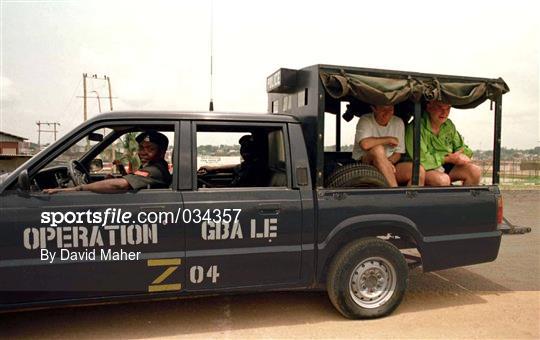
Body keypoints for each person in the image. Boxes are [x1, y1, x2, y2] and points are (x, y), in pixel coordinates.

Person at [44, 130, 172, 194]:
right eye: (141, 148)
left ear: (161, 152)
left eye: (150, 149)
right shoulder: (150, 165)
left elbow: (120, 185)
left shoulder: (155, 170)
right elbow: (132, 178)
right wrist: (114, 177)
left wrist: (79, 188)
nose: (144, 152)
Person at [404, 100, 481, 186]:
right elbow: (422, 160)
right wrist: (446, 159)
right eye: (440, 107)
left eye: (448, 108)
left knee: (475, 171)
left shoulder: (449, 125)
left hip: (447, 166)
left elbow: (462, 147)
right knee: (443, 180)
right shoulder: (416, 127)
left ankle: (465, 199)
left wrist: (461, 155)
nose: (444, 112)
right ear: (429, 107)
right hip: (424, 169)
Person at [352, 104, 412, 187]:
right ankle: (395, 193)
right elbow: (365, 144)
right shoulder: (365, 120)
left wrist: (388, 163)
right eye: (384, 110)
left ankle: (411, 198)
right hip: (366, 164)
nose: (387, 114)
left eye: (390, 110)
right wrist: (388, 139)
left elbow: (398, 153)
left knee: (419, 171)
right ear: (374, 109)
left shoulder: (398, 122)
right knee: (378, 150)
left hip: (390, 163)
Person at [198, 134, 268, 187]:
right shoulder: (248, 164)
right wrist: (213, 168)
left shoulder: (257, 168)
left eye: (247, 147)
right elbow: (236, 167)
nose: (243, 151)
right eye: (242, 147)